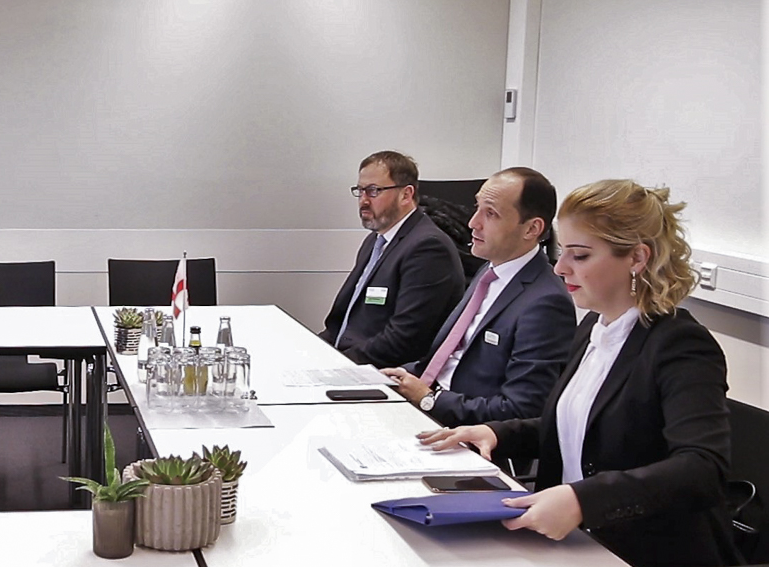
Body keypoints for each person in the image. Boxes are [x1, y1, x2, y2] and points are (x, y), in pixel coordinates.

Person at [419, 180, 741, 566]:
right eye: (563, 253)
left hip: (643, 549)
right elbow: (581, 426)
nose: (560, 268)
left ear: (637, 258)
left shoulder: (680, 344)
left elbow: (702, 469)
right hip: (572, 542)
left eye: (581, 256)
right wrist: (498, 433)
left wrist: (582, 501)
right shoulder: (593, 326)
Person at [381, 168, 576, 426]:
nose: (473, 222)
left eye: (491, 213)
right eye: (477, 207)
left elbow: (522, 408)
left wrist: (430, 400)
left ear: (531, 228)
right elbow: (446, 359)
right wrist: (394, 377)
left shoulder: (546, 303)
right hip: (427, 406)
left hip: (462, 430)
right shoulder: (488, 271)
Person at [317, 151, 464, 367]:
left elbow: (403, 340)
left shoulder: (428, 248)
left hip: (382, 371)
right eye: (360, 191)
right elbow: (340, 323)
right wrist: (313, 351)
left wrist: (340, 364)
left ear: (406, 194)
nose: (363, 201)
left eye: (373, 191)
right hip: (348, 359)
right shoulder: (375, 241)